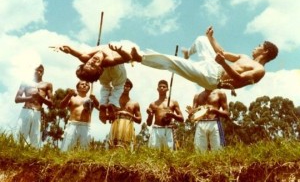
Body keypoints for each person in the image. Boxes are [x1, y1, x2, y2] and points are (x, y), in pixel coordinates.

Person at [130, 26, 278, 96]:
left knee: (175, 62)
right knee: (202, 39)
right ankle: (188, 52)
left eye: (259, 46)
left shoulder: (260, 70)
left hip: (213, 78)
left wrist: (223, 63)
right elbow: (221, 53)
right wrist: (211, 38)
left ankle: (141, 58)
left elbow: (238, 78)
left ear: (265, 51)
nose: (255, 47)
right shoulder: (244, 57)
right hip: (215, 66)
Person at [54, 43, 133, 124]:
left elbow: (70, 50)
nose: (93, 61)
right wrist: (120, 51)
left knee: (105, 86)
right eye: (94, 65)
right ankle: (113, 104)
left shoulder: (86, 57)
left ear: (86, 62)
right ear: (99, 68)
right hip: (116, 71)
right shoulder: (107, 61)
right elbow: (128, 58)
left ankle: (103, 104)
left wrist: (63, 48)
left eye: (89, 63)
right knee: (119, 86)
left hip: (103, 75)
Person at [14, 64, 53, 148]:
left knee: (36, 140)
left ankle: (34, 159)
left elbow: (51, 103)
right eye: (37, 70)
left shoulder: (47, 85)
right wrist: (30, 98)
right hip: (26, 111)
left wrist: (39, 96)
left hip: (38, 113)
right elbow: (17, 99)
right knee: (19, 137)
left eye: (41, 71)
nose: (39, 72)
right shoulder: (25, 82)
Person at [59, 80, 100, 152]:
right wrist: (69, 95)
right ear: (77, 87)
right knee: (66, 148)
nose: (84, 85)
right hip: (73, 124)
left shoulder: (91, 99)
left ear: (88, 88)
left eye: (86, 85)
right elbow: (61, 106)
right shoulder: (72, 97)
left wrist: (95, 99)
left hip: (86, 126)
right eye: (82, 84)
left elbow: (100, 108)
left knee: (84, 149)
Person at [146, 80, 184, 150]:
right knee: (154, 153)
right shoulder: (153, 104)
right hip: (156, 130)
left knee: (169, 154)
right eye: (160, 87)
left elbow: (182, 119)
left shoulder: (173, 102)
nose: (162, 88)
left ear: (167, 89)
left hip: (168, 129)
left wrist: (172, 115)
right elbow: (148, 123)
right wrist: (150, 115)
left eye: (164, 87)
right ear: (157, 89)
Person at [109, 78, 142, 149]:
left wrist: (129, 115)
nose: (125, 88)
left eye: (127, 86)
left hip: (128, 126)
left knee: (126, 147)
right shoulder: (114, 101)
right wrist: (112, 114)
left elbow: (139, 120)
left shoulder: (134, 103)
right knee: (114, 146)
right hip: (116, 126)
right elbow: (108, 117)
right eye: (123, 86)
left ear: (130, 88)